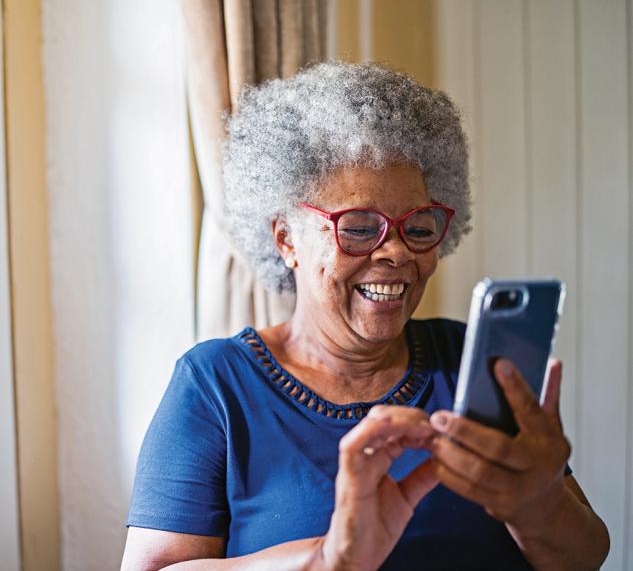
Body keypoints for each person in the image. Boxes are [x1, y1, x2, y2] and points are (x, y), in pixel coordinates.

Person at [121, 62, 609, 570]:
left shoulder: (471, 362)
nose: (397, 252)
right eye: (357, 227)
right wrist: (328, 558)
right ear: (286, 238)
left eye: (417, 226)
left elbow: (585, 557)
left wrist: (538, 505)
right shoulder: (214, 385)